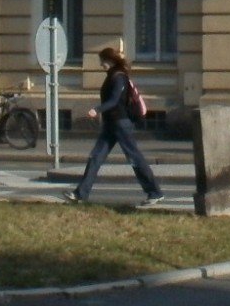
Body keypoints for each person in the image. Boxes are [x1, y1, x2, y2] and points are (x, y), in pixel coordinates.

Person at [68, 46, 165, 206]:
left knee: (134, 158)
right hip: (110, 125)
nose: (101, 65)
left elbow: (113, 101)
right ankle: (80, 194)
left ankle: (155, 192)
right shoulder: (112, 76)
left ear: (110, 61)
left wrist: (96, 110)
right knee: (95, 157)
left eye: (103, 61)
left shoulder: (119, 77)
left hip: (121, 124)